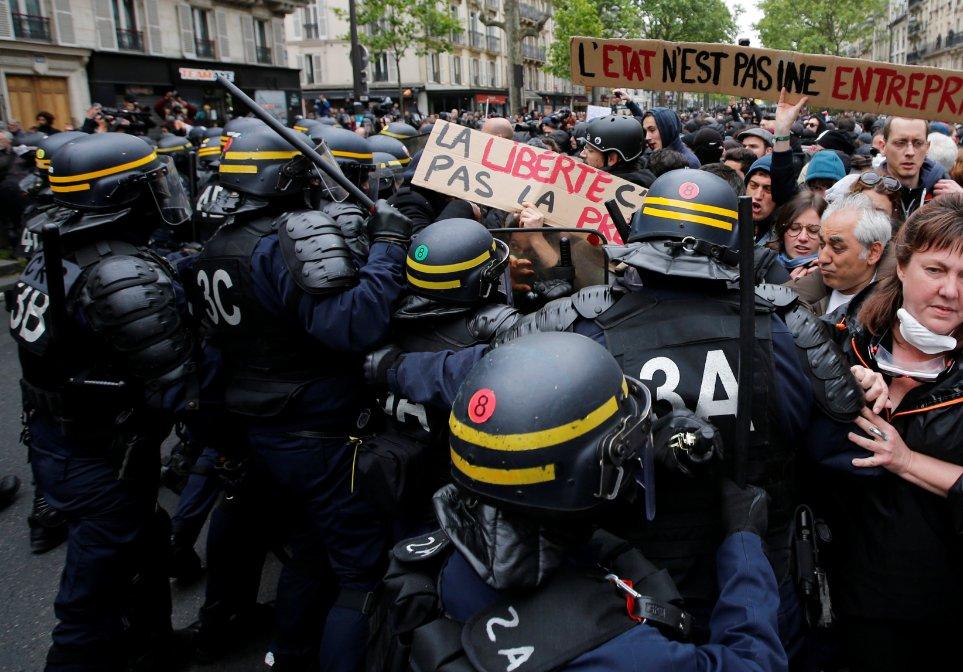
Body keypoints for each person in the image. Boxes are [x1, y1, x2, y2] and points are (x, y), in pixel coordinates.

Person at [377, 170, 863, 660]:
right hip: (757, 581)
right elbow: (842, 452)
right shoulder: (786, 327)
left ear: (640, 236)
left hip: (623, 598)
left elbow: (486, 374)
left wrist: (392, 368)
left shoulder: (580, 324)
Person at [382, 331, 787, 672]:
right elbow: (754, 663)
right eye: (625, 445)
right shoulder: (625, 654)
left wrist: (639, 451)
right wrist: (744, 545)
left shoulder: (443, 553)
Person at [190, 122, 411, 671]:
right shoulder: (290, 236)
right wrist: (387, 248)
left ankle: (288, 653)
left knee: (310, 550)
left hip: (260, 424)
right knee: (359, 572)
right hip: (319, 427)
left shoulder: (219, 243)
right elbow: (351, 324)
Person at [11, 132, 201, 671]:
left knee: (144, 543)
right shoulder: (117, 272)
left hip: (63, 438)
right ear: (122, 194)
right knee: (91, 596)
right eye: (150, 183)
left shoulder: (58, 249)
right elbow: (178, 388)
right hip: (100, 454)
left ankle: (151, 648)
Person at [828, 195, 963, 670]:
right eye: (936, 270)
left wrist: (907, 460)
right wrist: (837, 387)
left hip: (935, 609)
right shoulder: (839, 337)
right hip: (830, 590)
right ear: (901, 265)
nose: (950, 291)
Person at [787, 193, 891, 316]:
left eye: (837, 248)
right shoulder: (797, 296)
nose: (822, 258)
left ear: (873, 252)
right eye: (822, 245)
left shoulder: (895, 309)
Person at [579, 114, 656, 188]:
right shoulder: (652, 184)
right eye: (585, 148)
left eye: (590, 150)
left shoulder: (608, 191)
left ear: (612, 158)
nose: (582, 154)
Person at [770, 191, 826, 276]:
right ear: (782, 230)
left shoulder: (832, 276)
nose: (803, 238)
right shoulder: (762, 266)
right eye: (794, 228)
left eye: (813, 230)